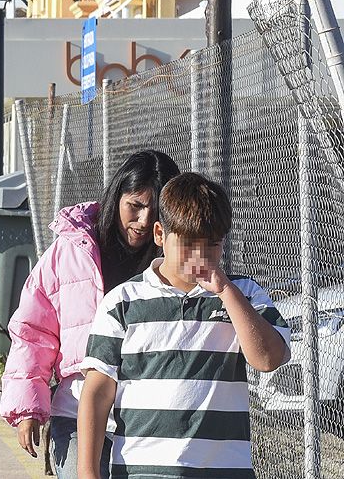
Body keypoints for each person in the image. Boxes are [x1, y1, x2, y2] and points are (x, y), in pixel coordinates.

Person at [77, 172, 291, 479]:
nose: (201, 257)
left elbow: (267, 359)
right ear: (160, 234)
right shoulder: (122, 301)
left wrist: (226, 291)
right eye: (189, 244)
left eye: (213, 244)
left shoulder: (243, 294)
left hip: (223, 471)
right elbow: (97, 391)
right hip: (141, 471)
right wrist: (88, 472)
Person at [0, 150, 180, 479]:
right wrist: (28, 406)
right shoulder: (71, 250)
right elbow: (33, 330)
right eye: (135, 206)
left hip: (150, 421)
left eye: (154, 214)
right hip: (75, 412)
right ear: (117, 195)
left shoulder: (175, 264)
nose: (142, 222)